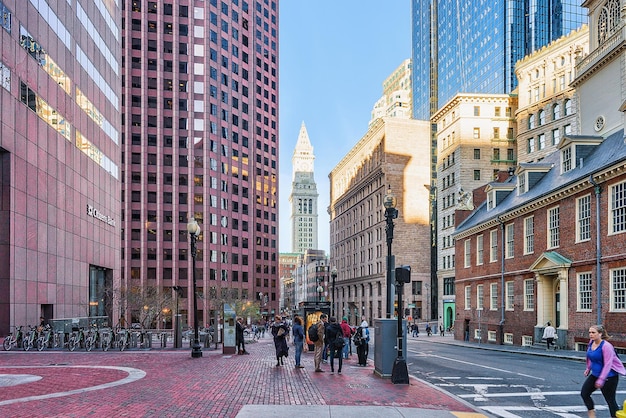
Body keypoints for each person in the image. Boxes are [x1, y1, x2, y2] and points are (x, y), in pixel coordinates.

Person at [581, 324, 626, 418]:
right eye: (589, 332)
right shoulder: (591, 342)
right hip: (595, 375)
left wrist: (601, 379)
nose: (591, 334)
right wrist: (588, 368)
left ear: (600, 334)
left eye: (593, 332)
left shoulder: (606, 346)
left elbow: (608, 364)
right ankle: (592, 416)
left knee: (610, 400)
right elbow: (589, 356)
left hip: (609, 377)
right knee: (584, 393)